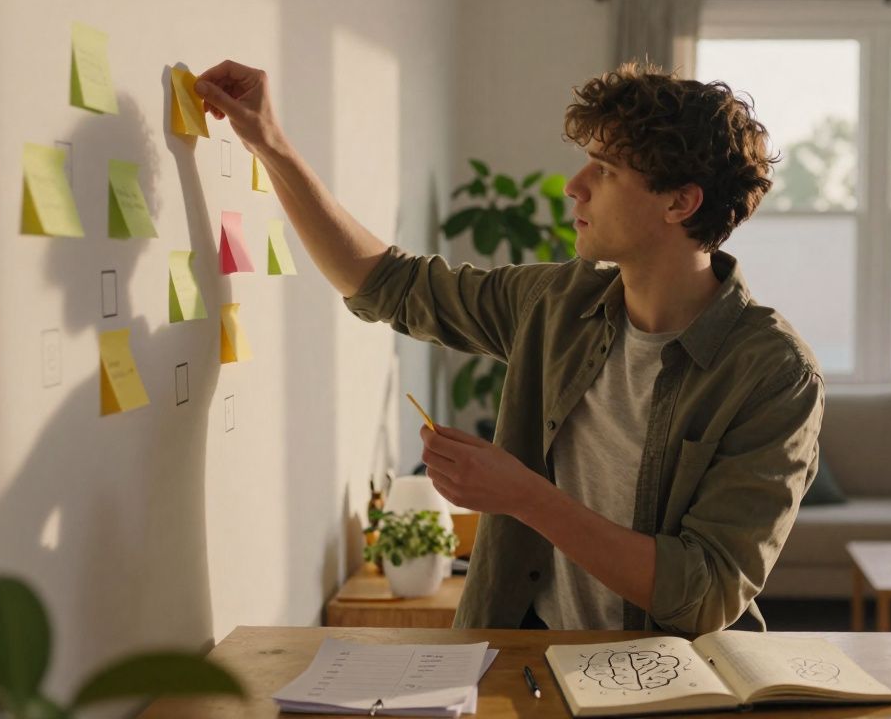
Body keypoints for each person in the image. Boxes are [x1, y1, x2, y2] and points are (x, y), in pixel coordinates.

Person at [196, 59, 824, 633]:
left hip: (672, 684)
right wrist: (268, 143)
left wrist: (522, 494)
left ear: (680, 202)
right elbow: (389, 284)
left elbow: (706, 592)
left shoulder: (773, 373)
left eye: (604, 171)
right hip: (522, 658)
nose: (573, 187)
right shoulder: (557, 303)